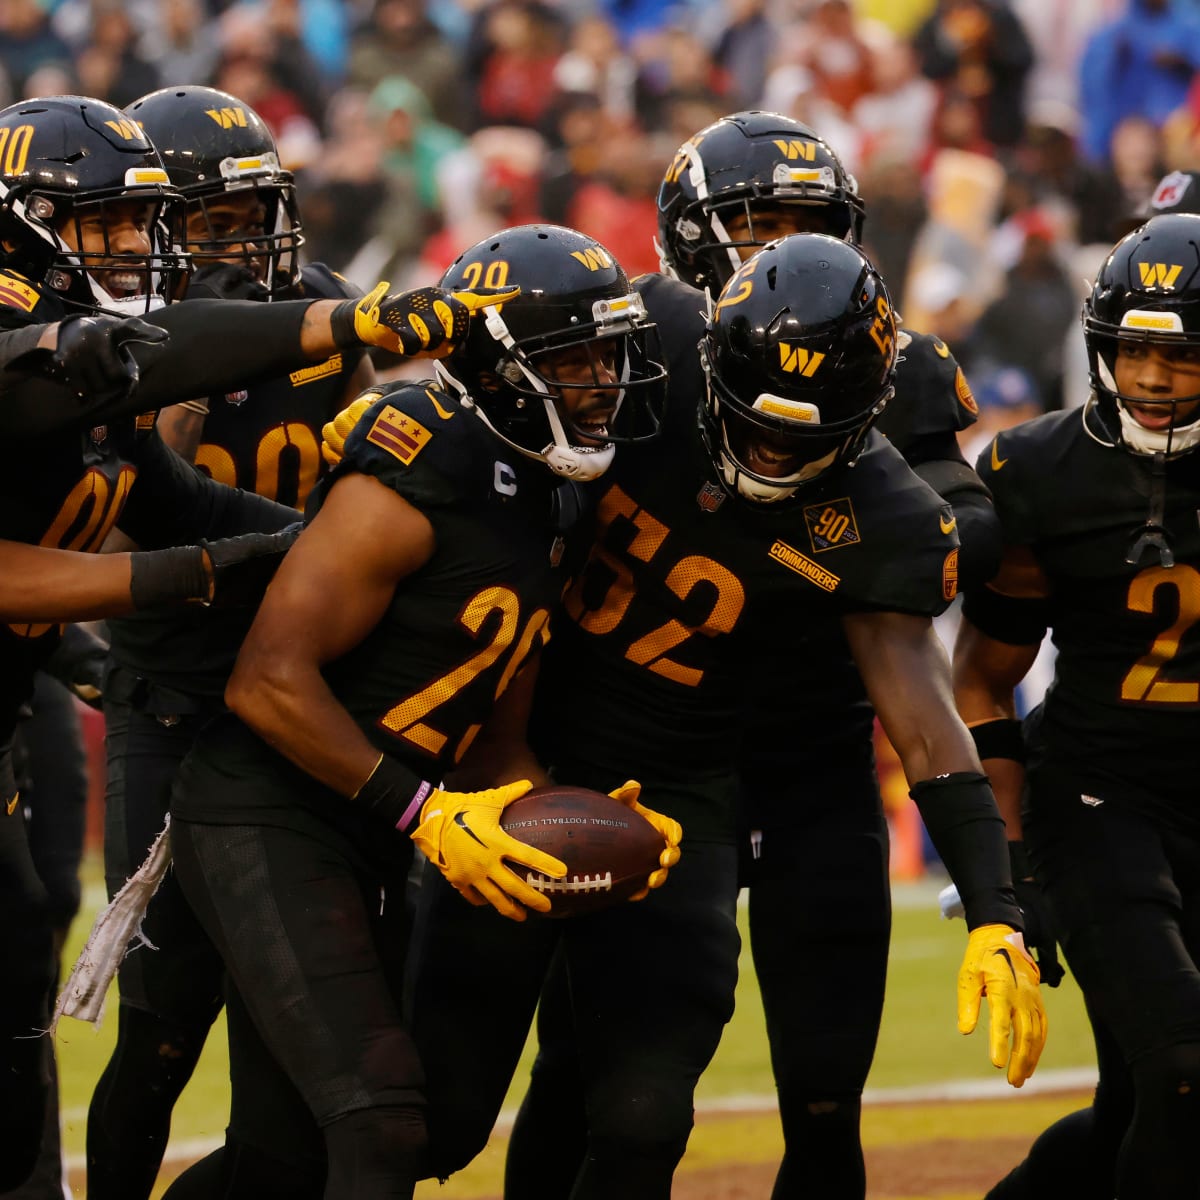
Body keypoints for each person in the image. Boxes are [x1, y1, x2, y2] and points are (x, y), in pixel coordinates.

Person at [405, 231, 1046, 1200]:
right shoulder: (649, 339)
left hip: (675, 800)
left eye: (803, 439)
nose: (770, 450)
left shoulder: (886, 517)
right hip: (512, 756)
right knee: (434, 1119)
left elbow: (924, 726)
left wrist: (995, 912)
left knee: (644, 1120)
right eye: (752, 421)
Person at [0, 91, 505, 1192]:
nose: (143, 249)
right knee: (154, 1016)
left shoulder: (122, 335)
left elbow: (177, 496)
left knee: (30, 957)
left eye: (143, 224)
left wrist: (314, 554)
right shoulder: (61, 344)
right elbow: (116, 495)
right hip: (169, 696)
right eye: (107, 224)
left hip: (281, 706)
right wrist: (192, 566)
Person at [161, 222, 676, 1200]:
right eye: (575, 358)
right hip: (264, 811)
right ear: (500, 367)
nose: (603, 382)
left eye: (611, 356)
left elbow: (495, 741)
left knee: (286, 1161)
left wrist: (575, 820)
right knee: (380, 1120)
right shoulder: (418, 462)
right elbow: (266, 680)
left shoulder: (557, 497)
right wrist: (424, 812)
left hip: (369, 825)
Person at [85, 84, 375, 1200]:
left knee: (293, 1030)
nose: (246, 246)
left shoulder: (323, 313)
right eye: (214, 224)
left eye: (255, 217)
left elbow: (372, 475)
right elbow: (120, 528)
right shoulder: (118, 345)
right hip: (175, 700)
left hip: (303, 696)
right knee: (163, 1026)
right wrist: (185, 377)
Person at [955, 212, 1200, 1199]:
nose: (1152, 378)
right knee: (1182, 1075)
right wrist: (1007, 868)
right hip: (1101, 800)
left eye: (1180, 355)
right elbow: (981, 677)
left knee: (1139, 1104)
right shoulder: (1039, 472)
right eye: (1134, 351)